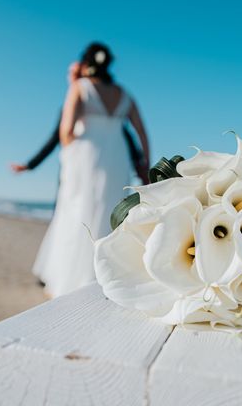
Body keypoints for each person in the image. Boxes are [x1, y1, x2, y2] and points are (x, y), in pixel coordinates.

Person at [32, 43, 150, 297]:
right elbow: (141, 132)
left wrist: (74, 147)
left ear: (86, 63)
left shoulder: (80, 88)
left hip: (87, 155)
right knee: (112, 209)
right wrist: (145, 164)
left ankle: (73, 279)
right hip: (116, 157)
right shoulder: (124, 94)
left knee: (78, 209)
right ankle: (110, 275)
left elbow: (65, 132)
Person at [10, 113, 149, 183]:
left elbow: (124, 135)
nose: (71, 76)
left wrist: (139, 165)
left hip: (103, 170)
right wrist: (29, 165)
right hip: (78, 169)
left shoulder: (98, 101)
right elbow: (55, 138)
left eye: (75, 72)